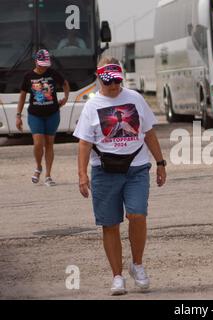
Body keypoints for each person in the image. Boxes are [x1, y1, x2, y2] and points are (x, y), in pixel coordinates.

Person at [74, 57, 167, 295]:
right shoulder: (92, 105)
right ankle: (117, 276)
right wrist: (82, 175)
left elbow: (149, 133)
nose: (114, 87)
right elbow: (84, 143)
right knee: (110, 224)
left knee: (137, 214)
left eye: (117, 81)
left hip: (136, 168)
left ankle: (137, 265)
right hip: (104, 172)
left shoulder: (135, 98)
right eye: (108, 82)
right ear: (100, 80)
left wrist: (160, 163)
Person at [16, 48, 70, 186]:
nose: (43, 67)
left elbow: (65, 84)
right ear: (36, 62)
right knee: (38, 143)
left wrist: (65, 98)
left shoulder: (53, 73)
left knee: (49, 144)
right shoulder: (28, 76)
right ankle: (38, 166)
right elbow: (22, 96)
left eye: (45, 64)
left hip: (52, 114)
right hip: (35, 115)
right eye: (41, 64)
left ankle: (48, 175)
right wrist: (18, 115)